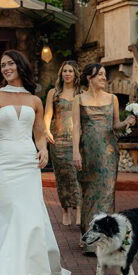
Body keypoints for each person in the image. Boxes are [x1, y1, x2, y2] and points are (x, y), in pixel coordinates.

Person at [0, 51, 71, 275]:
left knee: (32, 217)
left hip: (27, 163)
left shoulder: (34, 100)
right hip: (3, 162)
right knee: (9, 215)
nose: (5, 68)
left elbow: (38, 134)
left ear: (20, 66)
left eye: (10, 63)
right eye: (2, 64)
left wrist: (44, 149)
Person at [71, 63, 136, 250]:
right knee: (90, 193)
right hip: (88, 151)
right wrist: (75, 151)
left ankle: (104, 239)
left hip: (108, 152)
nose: (103, 78)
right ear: (89, 78)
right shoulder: (79, 99)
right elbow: (76, 127)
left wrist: (126, 122)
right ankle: (89, 237)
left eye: (104, 75)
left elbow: (115, 125)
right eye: (99, 74)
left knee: (107, 194)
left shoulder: (113, 98)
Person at [43, 61, 82, 228]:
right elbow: (47, 115)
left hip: (76, 140)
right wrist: (46, 131)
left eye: (70, 71)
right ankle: (66, 210)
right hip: (57, 139)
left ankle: (79, 211)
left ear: (75, 74)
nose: (67, 74)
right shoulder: (54, 92)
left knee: (76, 176)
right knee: (62, 177)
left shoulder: (81, 93)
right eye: (65, 70)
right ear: (61, 73)